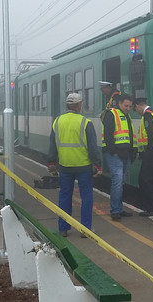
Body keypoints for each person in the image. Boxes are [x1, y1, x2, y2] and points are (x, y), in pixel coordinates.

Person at [47, 92, 102, 238]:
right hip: (83, 166)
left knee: (65, 196)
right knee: (86, 197)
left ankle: (63, 228)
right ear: (78, 105)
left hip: (65, 165)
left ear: (68, 106)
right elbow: (92, 146)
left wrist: (51, 162)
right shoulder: (85, 122)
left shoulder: (57, 121)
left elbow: (52, 144)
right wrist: (97, 164)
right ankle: (85, 229)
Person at [101, 93, 136, 220]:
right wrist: (113, 151)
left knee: (121, 182)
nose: (128, 108)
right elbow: (108, 133)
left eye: (130, 106)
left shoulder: (127, 116)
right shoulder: (112, 114)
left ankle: (119, 208)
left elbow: (130, 135)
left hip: (125, 153)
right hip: (114, 153)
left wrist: (133, 151)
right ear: (120, 103)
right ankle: (115, 211)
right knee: (117, 181)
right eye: (126, 105)